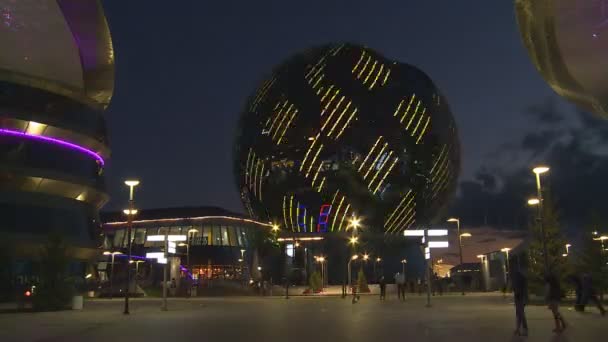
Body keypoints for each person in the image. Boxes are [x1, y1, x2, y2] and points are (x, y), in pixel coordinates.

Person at [511, 266, 528, 336]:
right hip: (519, 297)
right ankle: (520, 328)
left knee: (520, 313)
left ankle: (522, 328)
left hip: (520, 297)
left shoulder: (520, 278)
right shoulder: (519, 277)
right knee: (519, 313)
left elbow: (522, 289)